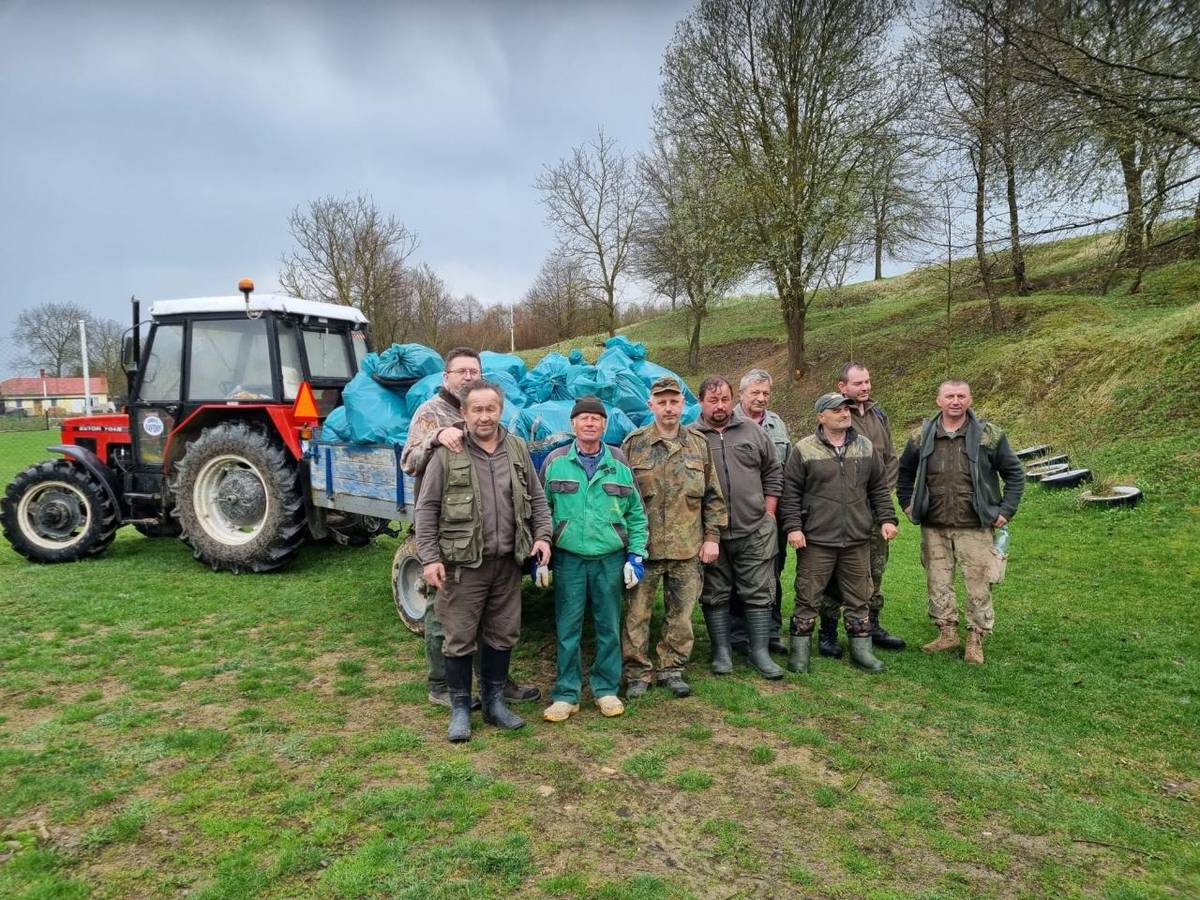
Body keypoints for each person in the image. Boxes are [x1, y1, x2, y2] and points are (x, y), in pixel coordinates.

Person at [413, 380, 552, 742]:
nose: (485, 416)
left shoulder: (518, 448)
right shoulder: (448, 452)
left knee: (502, 634)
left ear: (500, 411)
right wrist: (429, 558)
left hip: (507, 563)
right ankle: (460, 709)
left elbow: (537, 499)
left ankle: (494, 704)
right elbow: (426, 509)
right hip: (463, 567)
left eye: (491, 409)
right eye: (477, 409)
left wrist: (542, 537)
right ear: (464, 413)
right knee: (458, 638)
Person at [896, 380, 1024, 665]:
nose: (955, 401)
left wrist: (1006, 510)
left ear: (970, 399)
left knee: (978, 583)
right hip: (934, 524)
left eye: (961, 396)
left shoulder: (988, 436)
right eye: (950, 396)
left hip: (975, 524)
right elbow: (903, 472)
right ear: (938, 400)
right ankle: (946, 632)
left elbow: (1015, 473)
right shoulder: (921, 436)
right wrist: (907, 504)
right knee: (938, 581)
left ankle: (976, 638)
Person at [539, 397, 649, 722]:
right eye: (584, 418)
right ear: (573, 424)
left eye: (596, 419)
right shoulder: (555, 461)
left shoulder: (619, 462)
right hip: (569, 558)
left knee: (608, 625)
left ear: (604, 425)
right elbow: (541, 511)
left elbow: (637, 515)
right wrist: (541, 555)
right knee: (568, 626)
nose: (590, 424)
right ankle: (566, 693)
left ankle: (606, 689)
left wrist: (636, 555)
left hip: (609, 559)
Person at [620, 376, 727, 698]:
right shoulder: (633, 444)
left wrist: (712, 538)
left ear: (683, 405)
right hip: (645, 548)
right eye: (662, 402)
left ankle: (672, 668)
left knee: (681, 617)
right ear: (651, 405)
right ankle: (638, 672)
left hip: (687, 547)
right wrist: (626, 545)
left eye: (674, 402)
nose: (669, 408)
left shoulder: (698, 444)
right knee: (636, 615)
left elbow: (713, 496)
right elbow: (621, 498)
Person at [779, 393, 898, 674]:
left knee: (860, 597)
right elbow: (791, 493)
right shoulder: (804, 450)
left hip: (857, 539)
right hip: (817, 539)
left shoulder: (865, 447)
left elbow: (878, 488)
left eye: (846, 409)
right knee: (808, 596)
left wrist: (887, 519)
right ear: (821, 416)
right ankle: (800, 654)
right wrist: (793, 527)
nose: (845, 413)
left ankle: (862, 652)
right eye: (836, 410)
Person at [694, 376, 784, 680]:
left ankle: (760, 652)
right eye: (712, 400)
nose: (720, 407)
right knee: (715, 591)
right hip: (710, 533)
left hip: (754, 528)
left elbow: (773, 470)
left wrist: (769, 511)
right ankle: (722, 651)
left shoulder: (752, 432)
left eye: (724, 400)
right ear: (701, 402)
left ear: (732, 399)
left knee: (758, 591)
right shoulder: (691, 436)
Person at [818, 363, 906, 658]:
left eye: (867, 382)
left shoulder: (879, 414)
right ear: (842, 386)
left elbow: (890, 459)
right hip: (844, 510)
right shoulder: (835, 413)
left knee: (875, 569)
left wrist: (882, 493)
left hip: (875, 509)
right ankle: (828, 630)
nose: (865, 387)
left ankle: (872, 624)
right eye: (858, 383)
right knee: (835, 571)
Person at [730, 368, 791, 654]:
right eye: (755, 392)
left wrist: (774, 513)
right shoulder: (725, 422)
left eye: (766, 393)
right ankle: (737, 633)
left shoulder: (777, 425)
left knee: (772, 573)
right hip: (737, 515)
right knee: (734, 577)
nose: (761, 398)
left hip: (770, 514)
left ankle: (770, 631)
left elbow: (784, 471)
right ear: (740, 394)